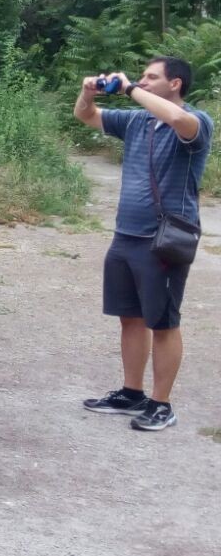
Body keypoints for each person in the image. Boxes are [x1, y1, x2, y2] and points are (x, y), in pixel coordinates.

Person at [75, 58, 213, 431]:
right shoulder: (138, 121)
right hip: (126, 235)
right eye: (141, 77)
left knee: (163, 322)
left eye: (152, 77)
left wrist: (130, 89)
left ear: (175, 83)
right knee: (131, 317)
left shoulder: (197, 121)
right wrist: (87, 93)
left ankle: (162, 404)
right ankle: (131, 393)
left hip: (164, 240)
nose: (143, 81)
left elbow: (180, 120)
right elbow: (86, 116)